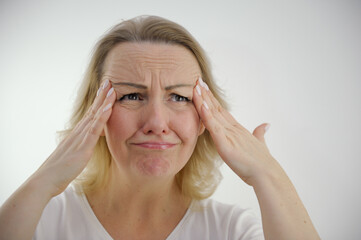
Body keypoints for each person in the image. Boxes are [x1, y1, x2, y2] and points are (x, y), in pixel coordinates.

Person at [0, 15, 320, 240]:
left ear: (204, 118)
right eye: (132, 95)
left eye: (179, 97)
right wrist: (44, 180)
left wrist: (268, 175)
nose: (156, 122)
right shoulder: (40, 221)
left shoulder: (231, 230)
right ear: (95, 113)